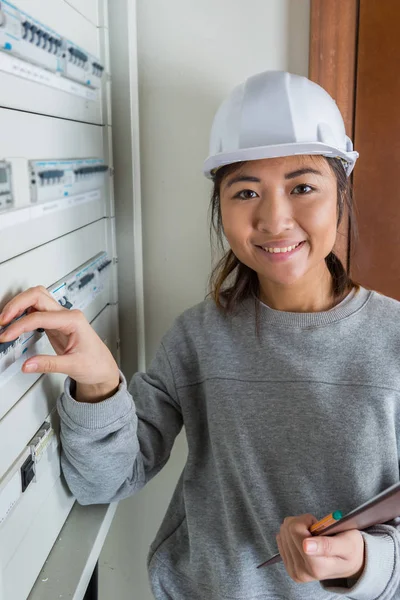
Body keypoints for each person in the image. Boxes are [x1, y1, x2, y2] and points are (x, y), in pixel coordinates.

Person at [0, 70, 399, 600]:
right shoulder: (197, 338)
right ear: (220, 208)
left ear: (341, 192)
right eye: (246, 191)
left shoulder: (393, 338)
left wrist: (369, 562)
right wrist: (98, 384)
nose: (275, 219)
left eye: (303, 187)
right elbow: (103, 482)